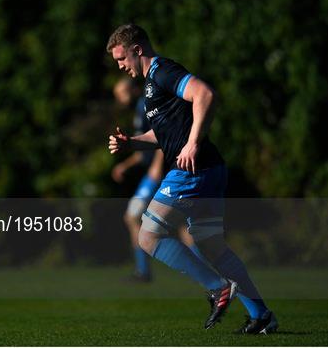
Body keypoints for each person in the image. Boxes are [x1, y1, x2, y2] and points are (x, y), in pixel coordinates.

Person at [106, 23, 278, 334]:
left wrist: (193, 142)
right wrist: (132, 142)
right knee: (212, 246)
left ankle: (217, 288)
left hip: (192, 170)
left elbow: (204, 93)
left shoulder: (162, 71)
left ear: (137, 50)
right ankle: (262, 315)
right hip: (210, 169)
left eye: (121, 59)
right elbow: (163, 135)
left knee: (147, 234)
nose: (120, 66)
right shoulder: (150, 87)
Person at [112, 77, 165, 282]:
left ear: (134, 89)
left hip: (157, 173)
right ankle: (211, 275)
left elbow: (161, 135)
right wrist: (124, 166)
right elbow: (143, 148)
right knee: (182, 225)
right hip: (153, 172)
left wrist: (157, 166)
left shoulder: (145, 106)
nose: (121, 98)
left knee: (132, 216)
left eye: (123, 92)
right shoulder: (138, 109)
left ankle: (143, 271)